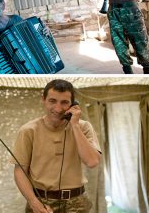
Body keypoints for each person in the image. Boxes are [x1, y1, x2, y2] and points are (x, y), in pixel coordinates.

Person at [11, 79, 102, 213]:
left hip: (77, 201)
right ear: (43, 99)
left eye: (64, 102)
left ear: (73, 104)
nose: (58, 109)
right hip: (42, 202)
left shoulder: (83, 127)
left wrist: (75, 125)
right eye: (52, 101)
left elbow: (92, 161)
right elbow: (20, 171)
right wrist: (34, 203)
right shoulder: (28, 130)